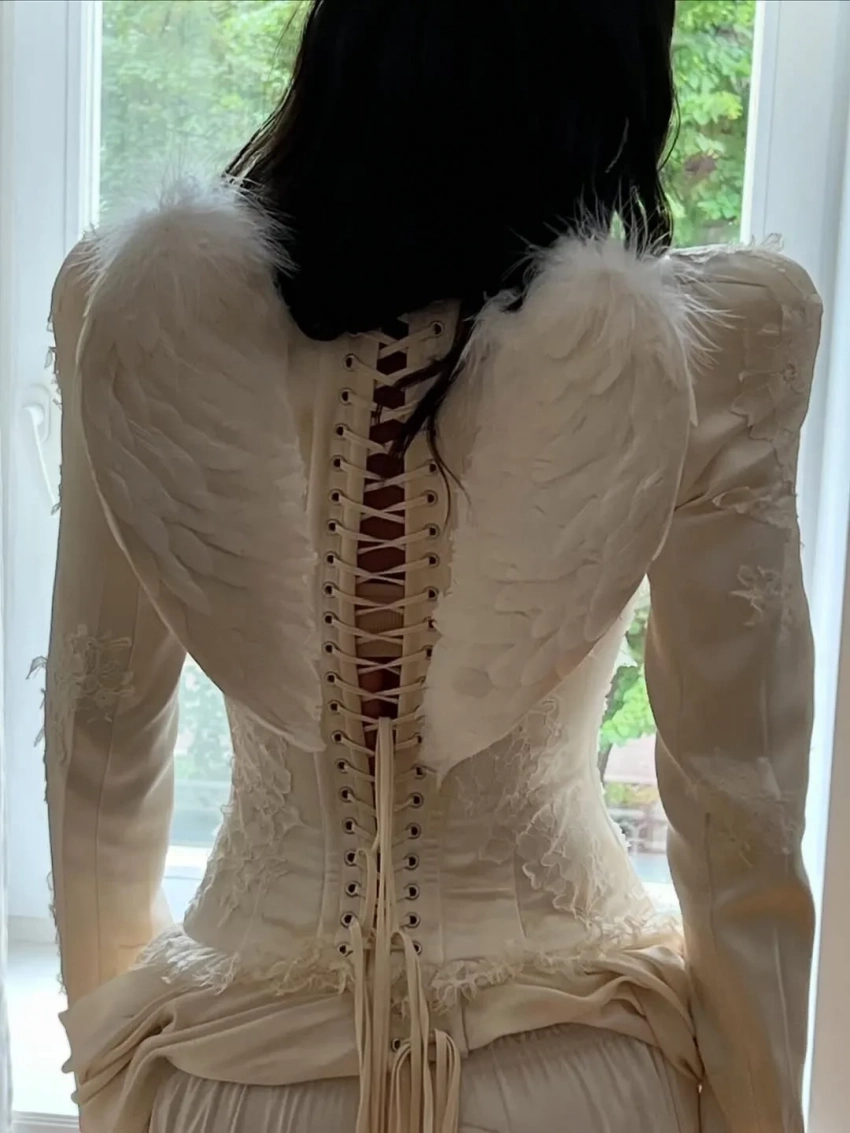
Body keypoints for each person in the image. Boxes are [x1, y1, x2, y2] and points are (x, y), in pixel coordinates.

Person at [44, 1, 821, 1131]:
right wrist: (760, 1112)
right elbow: (739, 800)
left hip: (234, 1083)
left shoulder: (128, 306)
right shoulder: (725, 333)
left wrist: (112, 1072)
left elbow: (98, 743)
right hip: (575, 1086)